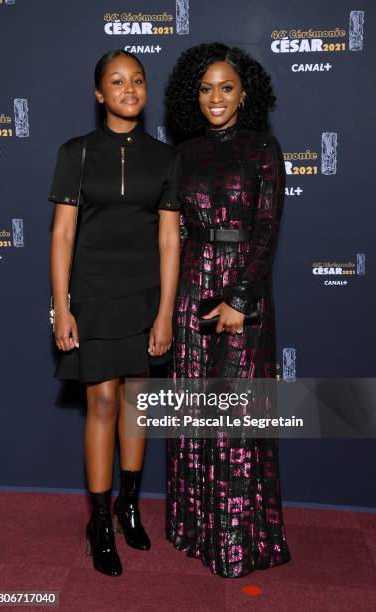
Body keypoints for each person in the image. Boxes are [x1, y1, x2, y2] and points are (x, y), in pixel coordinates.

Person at [48, 49, 180, 577]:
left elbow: (170, 239)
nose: (129, 89)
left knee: (136, 402)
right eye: (117, 82)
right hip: (93, 292)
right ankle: (99, 520)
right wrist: (62, 307)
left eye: (138, 80)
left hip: (145, 292)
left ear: (146, 91)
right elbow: (62, 234)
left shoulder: (167, 159)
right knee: (102, 401)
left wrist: (166, 311)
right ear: (100, 93)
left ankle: (129, 504)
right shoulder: (76, 153)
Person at [165, 42, 291, 578]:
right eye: (205, 88)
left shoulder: (265, 148)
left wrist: (240, 299)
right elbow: (174, 234)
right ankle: (194, 529)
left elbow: (266, 231)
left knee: (237, 418)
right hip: (192, 287)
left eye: (227, 87)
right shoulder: (183, 153)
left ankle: (239, 542)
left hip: (243, 291)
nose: (215, 98)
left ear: (246, 94)